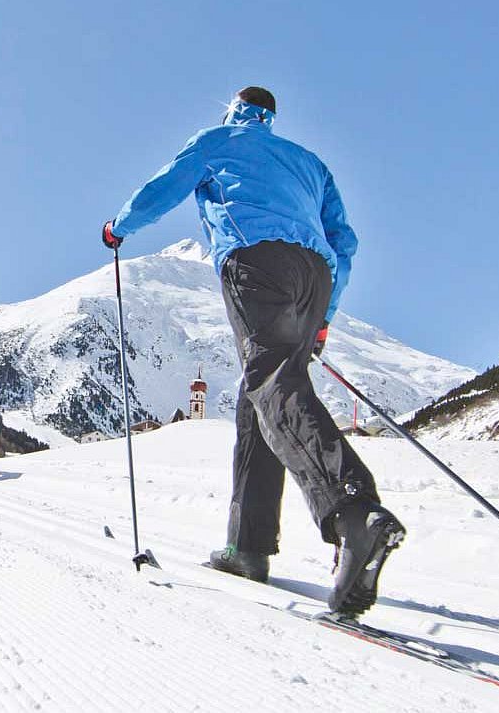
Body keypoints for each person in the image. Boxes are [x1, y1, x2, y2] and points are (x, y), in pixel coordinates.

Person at [100, 86, 403, 620]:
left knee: (271, 383)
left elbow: (163, 188)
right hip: (317, 277)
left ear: (234, 109)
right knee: (257, 398)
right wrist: (326, 314)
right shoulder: (311, 164)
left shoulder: (218, 140)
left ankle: (353, 510)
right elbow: (345, 240)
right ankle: (249, 547)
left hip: (257, 259)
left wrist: (117, 228)